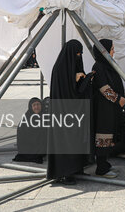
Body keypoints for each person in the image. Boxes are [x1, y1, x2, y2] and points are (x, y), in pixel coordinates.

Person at [47, 40, 91, 184]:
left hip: (74, 113)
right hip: (62, 114)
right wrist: (74, 78)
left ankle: (76, 169)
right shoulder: (60, 69)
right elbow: (67, 92)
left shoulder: (71, 66)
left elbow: (78, 92)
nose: (79, 56)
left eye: (81, 54)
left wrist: (85, 78)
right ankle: (65, 173)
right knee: (65, 143)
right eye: (77, 53)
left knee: (76, 141)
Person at [92, 39, 125, 178]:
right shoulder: (99, 67)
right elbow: (104, 88)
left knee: (109, 135)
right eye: (111, 48)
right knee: (103, 135)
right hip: (103, 109)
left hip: (110, 107)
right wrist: (118, 99)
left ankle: (105, 164)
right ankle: (101, 168)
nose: (114, 51)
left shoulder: (107, 65)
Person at [13, 97, 46, 164]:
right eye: (34, 105)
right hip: (28, 148)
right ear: (30, 107)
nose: (36, 107)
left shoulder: (45, 116)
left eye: (38, 104)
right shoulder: (26, 119)